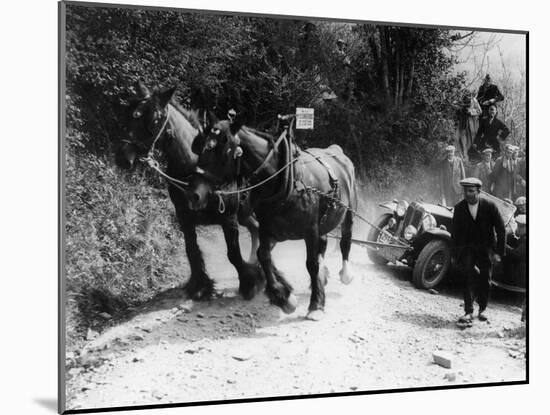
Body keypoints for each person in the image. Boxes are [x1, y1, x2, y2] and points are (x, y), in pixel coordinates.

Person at [452, 177, 506, 325]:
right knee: (467, 277)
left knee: (485, 279)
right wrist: (455, 254)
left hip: (486, 248)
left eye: (471, 191)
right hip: (468, 248)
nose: (467, 194)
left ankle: (483, 309)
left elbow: (501, 230)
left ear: (479, 191)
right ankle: (468, 311)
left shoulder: (490, 206)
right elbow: (455, 233)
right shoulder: (459, 208)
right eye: (465, 191)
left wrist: (498, 252)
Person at [455, 91, 482, 162]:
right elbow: (457, 110)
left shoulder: (474, 100)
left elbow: (480, 111)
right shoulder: (460, 100)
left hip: (471, 122)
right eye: (466, 95)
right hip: (462, 122)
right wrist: (459, 109)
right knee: (460, 138)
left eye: (469, 95)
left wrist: (471, 111)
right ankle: (463, 156)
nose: (467, 97)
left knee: (471, 139)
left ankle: (471, 157)